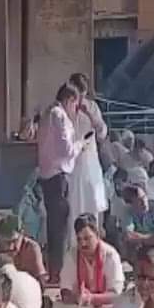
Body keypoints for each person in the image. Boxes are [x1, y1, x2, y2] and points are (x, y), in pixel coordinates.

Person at [37, 84, 88, 283]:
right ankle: (56, 273)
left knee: (54, 226)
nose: (75, 110)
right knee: (59, 228)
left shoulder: (47, 113)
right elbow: (67, 149)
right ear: (70, 100)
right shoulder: (59, 116)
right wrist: (81, 144)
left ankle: (54, 271)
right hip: (58, 175)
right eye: (75, 105)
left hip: (49, 175)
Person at [51, 213, 126, 308]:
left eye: (87, 238)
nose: (83, 244)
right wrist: (77, 298)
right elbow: (65, 291)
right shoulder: (72, 254)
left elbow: (116, 295)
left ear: (97, 235)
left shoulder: (111, 255)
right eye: (79, 239)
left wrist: (91, 298)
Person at [67, 73, 110, 236]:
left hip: (89, 159)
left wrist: (90, 115)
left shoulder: (91, 107)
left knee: (92, 198)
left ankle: (93, 236)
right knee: (74, 201)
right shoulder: (64, 107)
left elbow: (102, 133)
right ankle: (73, 240)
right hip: (72, 160)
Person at [0, 215, 48, 283]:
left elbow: (41, 279)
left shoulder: (32, 248)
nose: (11, 246)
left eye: (14, 241)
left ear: (21, 234)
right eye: (6, 242)